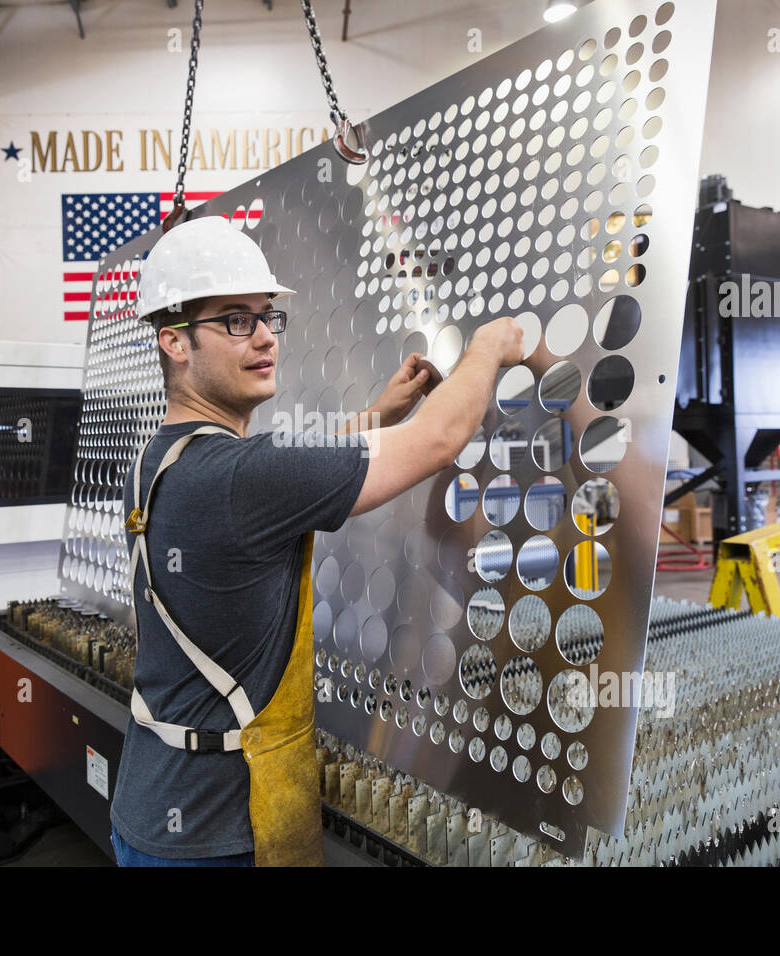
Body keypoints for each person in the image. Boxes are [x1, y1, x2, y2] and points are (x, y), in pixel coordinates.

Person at [109, 215, 524, 866]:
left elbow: (293, 477)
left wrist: (381, 414)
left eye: (268, 317)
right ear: (174, 342)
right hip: (218, 837)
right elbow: (442, 438)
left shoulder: (159, 462)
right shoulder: (239, 479)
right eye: (234, 320)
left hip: (151, 805)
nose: (266, 337)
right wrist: (491, 346)